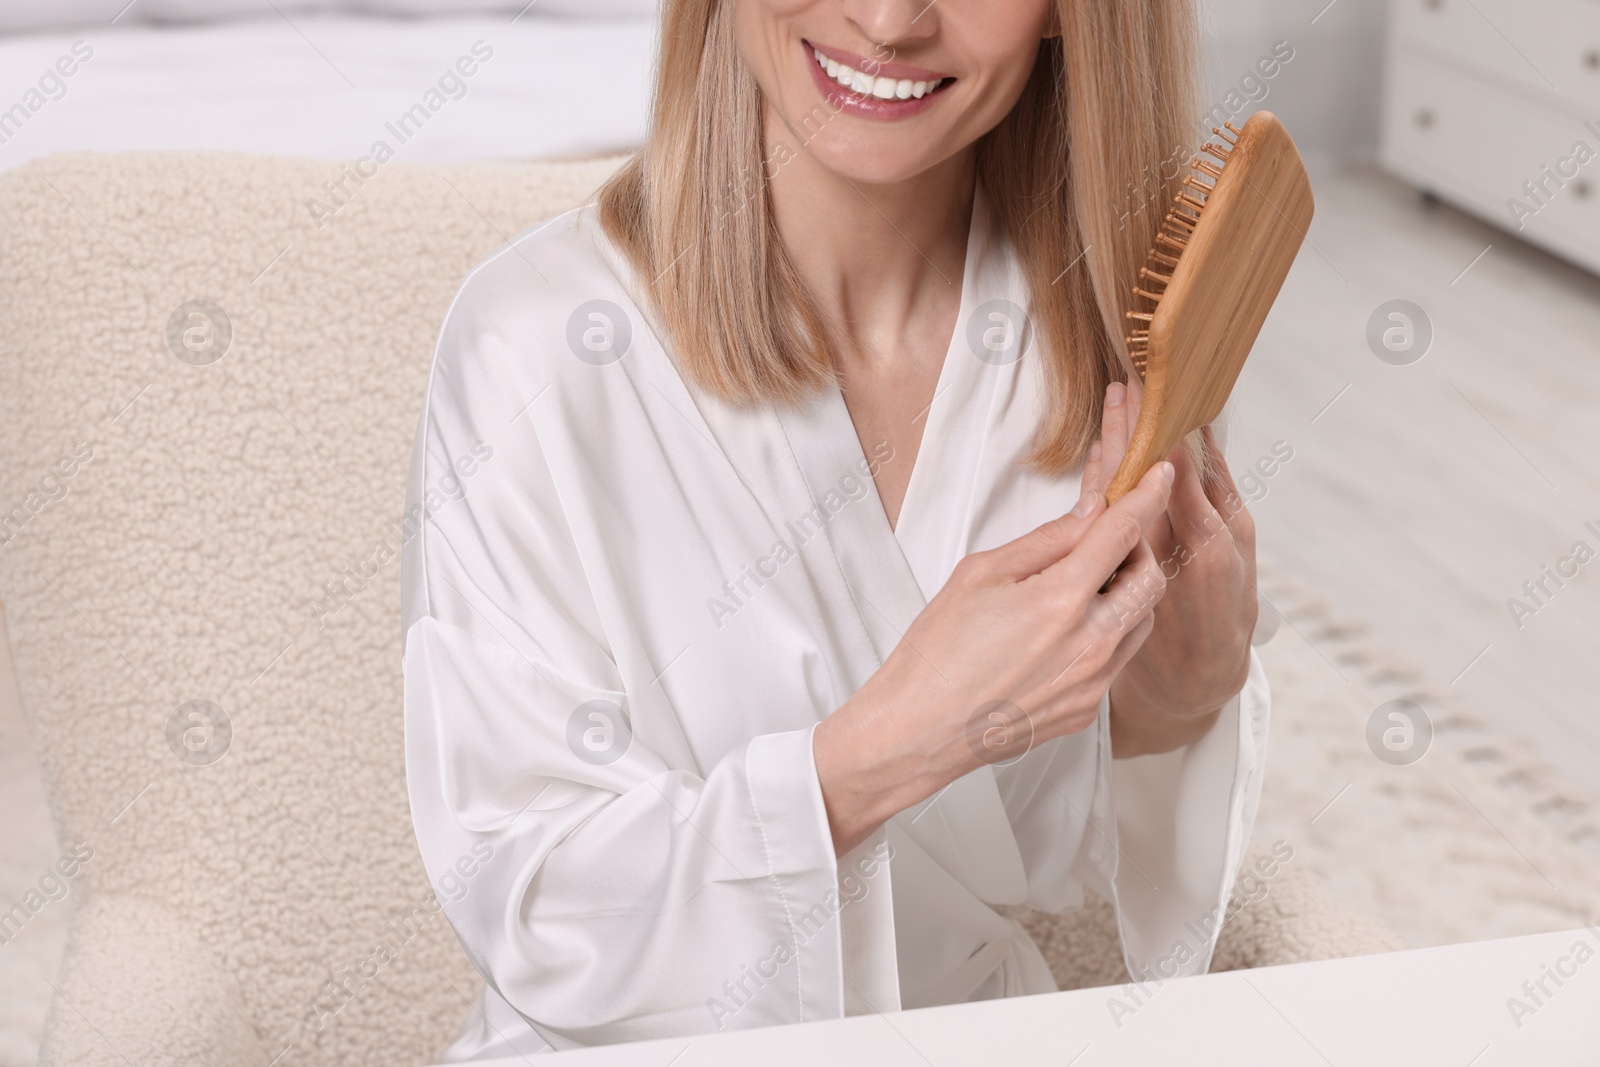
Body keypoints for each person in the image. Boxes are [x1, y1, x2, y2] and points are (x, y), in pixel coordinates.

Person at [402, 0, 1266, 1056]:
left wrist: (1173, 701)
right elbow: (536, 907)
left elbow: (1039, 846)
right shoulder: (531, 349)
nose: (888, 20)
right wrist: (882, 748)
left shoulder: (1105, 354)